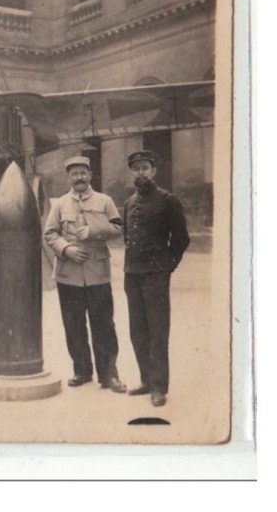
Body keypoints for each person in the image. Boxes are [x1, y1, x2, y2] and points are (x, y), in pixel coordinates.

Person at [44, 156, 127, 393]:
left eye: (83, 173)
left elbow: (118, 229)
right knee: (73, 325)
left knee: (104, 325)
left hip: (97, 273)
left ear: (90, 175)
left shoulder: (105, 201)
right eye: (74, 174)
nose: (79, 177)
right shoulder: (59, 204)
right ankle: (81, 370)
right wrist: (66, 249)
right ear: (67, 177)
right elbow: (49, 234)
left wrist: (94, 230)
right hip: (68, 275)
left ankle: (109, 375)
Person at [123, 150, 190, 407]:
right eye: (136, 169)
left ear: (154, 171)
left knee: (158, 331)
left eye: (145, 168)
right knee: (137, 330)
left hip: (156, 276)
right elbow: (127, 236)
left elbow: (181, 239)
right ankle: (146, 380)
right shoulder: (129, 203)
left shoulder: (167, 200)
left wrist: (167, 266)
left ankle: (159, 386)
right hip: (132, 275)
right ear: (131, 173)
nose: (140, 173)